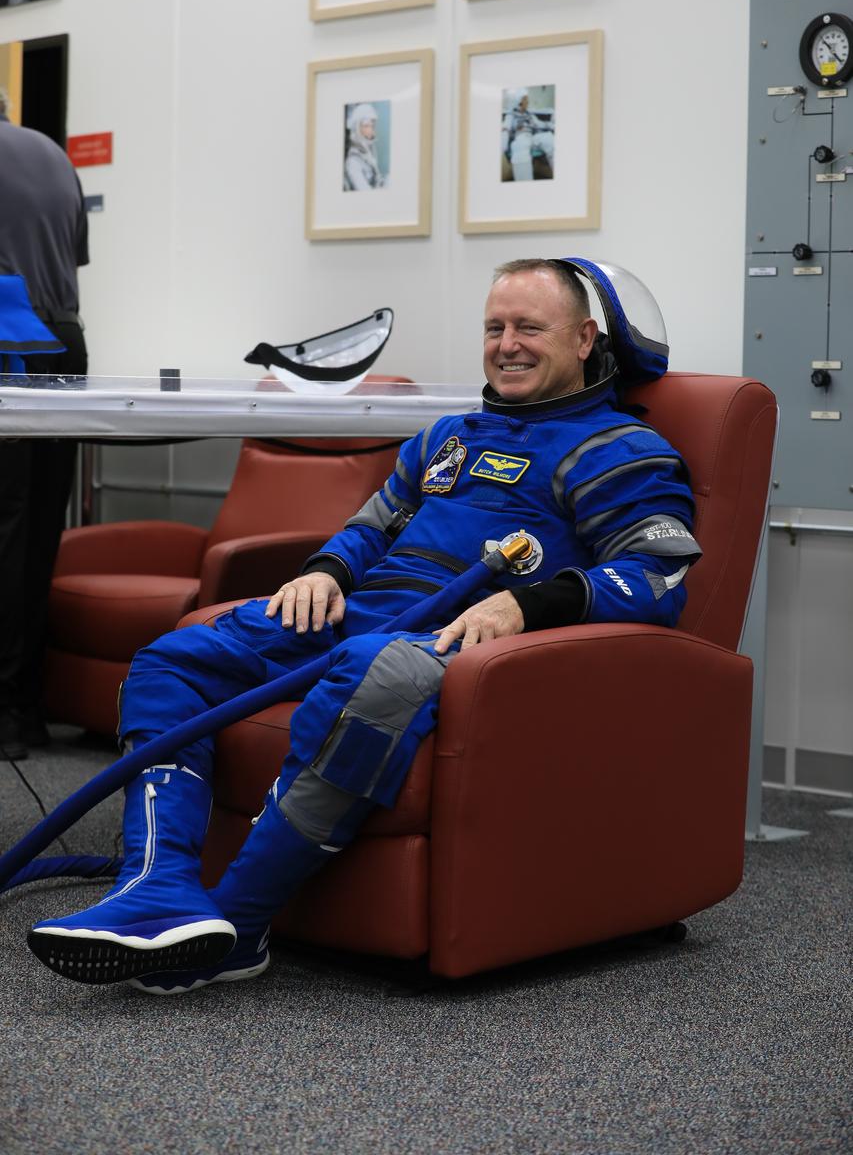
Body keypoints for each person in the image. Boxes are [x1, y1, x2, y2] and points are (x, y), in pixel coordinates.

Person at [27, 257, 701, 994]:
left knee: (376, 668)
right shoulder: (451, 436)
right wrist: (325, 572)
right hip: (366, 611)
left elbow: (655, 576)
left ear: (583, 340)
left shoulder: (618, 451)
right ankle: (157, 889)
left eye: (528, 327)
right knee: (171, 657)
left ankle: (238, 924)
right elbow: (372, 525)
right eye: (494, 327)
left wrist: (523, 604)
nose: (506, 343)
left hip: (458, 641)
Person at [0, 85, 89, 760]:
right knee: (38, 533)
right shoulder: (54, 155)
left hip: (7, 337)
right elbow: (72, 261)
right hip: (63, 341)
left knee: (2, 531)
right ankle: (25, 709)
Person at [501, 92, 555, 182]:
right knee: (520, 145)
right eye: (525, 100)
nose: (527, 102)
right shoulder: (511, 115)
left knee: (548, 138)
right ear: (519, 102)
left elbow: (540, 124)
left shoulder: (530, 114)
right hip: (520, 137)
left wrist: (552, 125)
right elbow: (506, 127)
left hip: (532, 137)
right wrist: (504, 142)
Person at [344, 102, 385, 191]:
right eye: (366, 126)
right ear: (357, 128)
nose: (370, 130)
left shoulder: (370, 149)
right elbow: (365, 192)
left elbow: (378, 178)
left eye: (372, 125)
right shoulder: (353, 162)